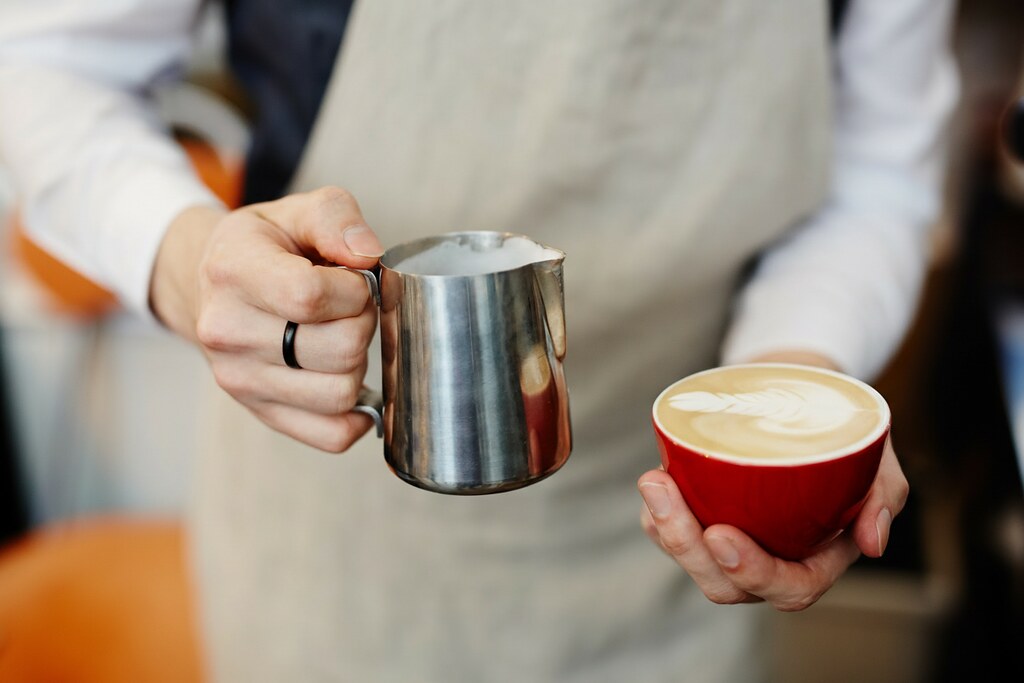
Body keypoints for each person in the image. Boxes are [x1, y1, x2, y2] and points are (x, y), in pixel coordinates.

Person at [0, 1, 959, 681]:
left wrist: (787, 392)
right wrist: (186, 256)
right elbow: (45, 66)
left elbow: (879, 177)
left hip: (679, 553)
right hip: (331, 554)